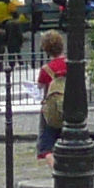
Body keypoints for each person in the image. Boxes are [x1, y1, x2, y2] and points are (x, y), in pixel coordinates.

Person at [33, 30, 70, 159]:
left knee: (45, 147)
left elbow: (41, 86)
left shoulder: (46, 69)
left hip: (52, 110)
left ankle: (57, 168)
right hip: (71, 106)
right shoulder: (71, 64)